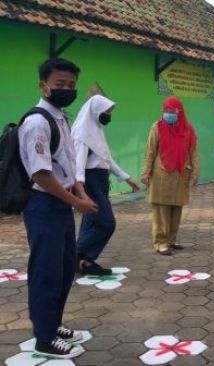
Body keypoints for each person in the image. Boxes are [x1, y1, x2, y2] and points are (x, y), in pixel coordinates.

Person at [18, 58, 98, 358]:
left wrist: (79, 190)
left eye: (72, 85)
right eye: (60, 85)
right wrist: (76, 202)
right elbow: (41, 174)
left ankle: (52, 324)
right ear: (44, 86)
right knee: (46, 271)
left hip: (62, 203)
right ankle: (44, 337)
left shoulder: (61, 117)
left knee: (64, 269)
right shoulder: (38, 122)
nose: (67, 90)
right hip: (44, 204)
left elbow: (67, 163)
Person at [71, 95, 141, 275]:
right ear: (95, 111)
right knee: (107, 223)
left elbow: (106, 160)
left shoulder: (96, 130)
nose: (109, 115)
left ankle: (85, 262)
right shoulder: (82, 133)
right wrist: (81, 193)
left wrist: (126, 178)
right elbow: (77, 165)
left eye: (110, 111)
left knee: (91, 223)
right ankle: (71, 253)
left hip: (100, 181)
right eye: (107, 111)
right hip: (90, 183)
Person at [141, 97, 199, 256]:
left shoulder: (188, 129)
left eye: (171, 111)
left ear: (179, 112)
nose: (167, 114)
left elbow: (193, 152)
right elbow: (150, 151)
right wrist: (145, 172)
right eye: (165, 111)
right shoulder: (157, 127)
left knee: (176, 207)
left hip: (181, 174)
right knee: (161, 208)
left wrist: (195, 172)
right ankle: (160, 242)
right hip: (162, 174)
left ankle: (172, 239)